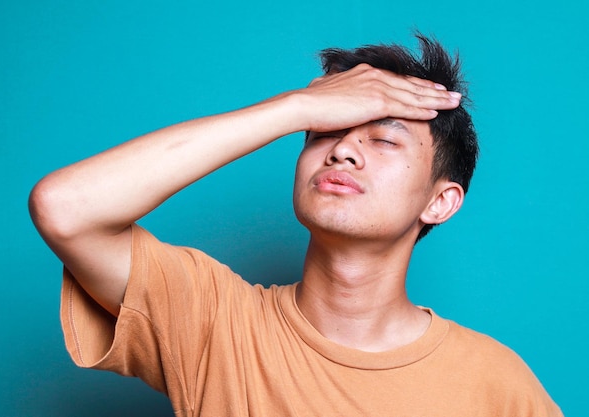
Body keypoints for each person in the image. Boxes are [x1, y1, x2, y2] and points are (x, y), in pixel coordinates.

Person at [29, 34, 563, 416]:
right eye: (323, 133)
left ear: (441, 202)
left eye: (383, 138)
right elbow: (66, 208)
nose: (345, 150)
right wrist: (296, 106)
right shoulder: (213, 323)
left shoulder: (496, 384)